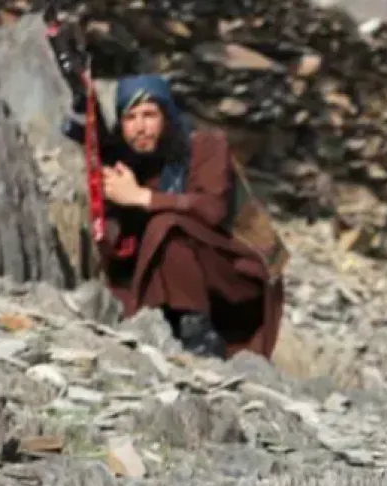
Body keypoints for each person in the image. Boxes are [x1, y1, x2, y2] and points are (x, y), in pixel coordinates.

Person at [61, 74, 284, 359]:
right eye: (130, 118)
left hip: (237, 273)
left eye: (149, 115)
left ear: (166, 116)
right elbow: (121, 250)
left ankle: (196, 331)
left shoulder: (206, 147)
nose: (140, 128)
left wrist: (142, 197)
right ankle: (168, 325)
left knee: (167, 225)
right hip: (174, 279)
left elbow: (211, 210)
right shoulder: (132, 165)